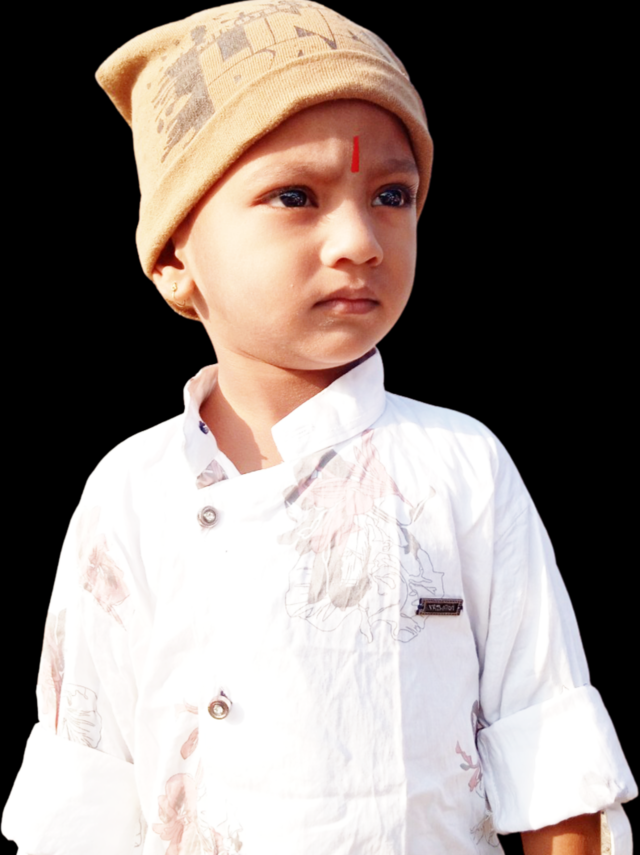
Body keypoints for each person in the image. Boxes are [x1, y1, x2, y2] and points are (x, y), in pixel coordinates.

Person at [2, 2, 636, 853]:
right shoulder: (132, 490)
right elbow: (84, 790)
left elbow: (554, 762)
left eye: (391, 196)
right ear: (176, 257)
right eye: (296, 196)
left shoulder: (458, 467)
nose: (360, 240)